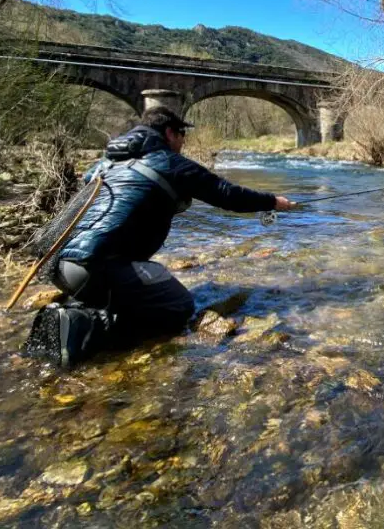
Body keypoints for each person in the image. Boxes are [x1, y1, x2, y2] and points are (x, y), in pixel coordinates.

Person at [25, 107, 294, 368]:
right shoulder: (170, 163)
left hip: (58, 266)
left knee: (139, 288)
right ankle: (83, 323)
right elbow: (226, 194)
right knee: (179, 306)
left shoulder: (104, 164)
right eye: (181, 134)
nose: (183, 141)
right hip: (96, 268)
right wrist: (272, 201)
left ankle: (78, 311)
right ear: (169, 133)